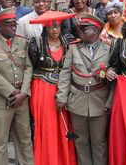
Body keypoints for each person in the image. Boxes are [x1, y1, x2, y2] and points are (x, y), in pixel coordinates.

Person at [56, 13, 113, 165]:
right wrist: (61, 97)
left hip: (99, 102)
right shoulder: (74, 48)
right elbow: (65, 73)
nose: (79, 31)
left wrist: (109, 102)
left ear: (95, 30)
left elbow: (114, 80)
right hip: (77, 101)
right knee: (80, 141)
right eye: (79, 28)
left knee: (99, 141)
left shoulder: (109, 48)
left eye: (84, 28)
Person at [0, 7, 34, 165]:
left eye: (14, 24)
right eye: (9, 24)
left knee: (25, 138)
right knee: (1, 142)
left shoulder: (22, 42)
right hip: (1, 99)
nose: (14, 27)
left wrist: (23, 92)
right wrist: (12, 92)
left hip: (22, 99)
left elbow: (28, 67)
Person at [27, 11, 77, 165]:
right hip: (42, 87)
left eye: (57, 27)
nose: (55, 30)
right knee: (46, 125)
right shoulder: (37, 43)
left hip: (63, 86)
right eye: (51, 28)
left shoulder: (67, 42)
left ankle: (63, 159)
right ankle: (46, 159)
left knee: (63, 124)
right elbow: (32, 66)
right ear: (45, 28)